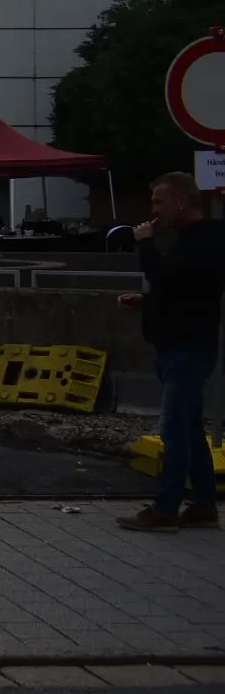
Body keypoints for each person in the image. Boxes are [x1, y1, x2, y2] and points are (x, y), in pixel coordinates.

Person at [117, 172, 225, 532]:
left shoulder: (207, 239)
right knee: (190, 427)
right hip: (175, 343)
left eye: (159, 202)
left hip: (189, 346)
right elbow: (179, 289)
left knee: (174, 427)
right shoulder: (188, 240)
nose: (154, 210)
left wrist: (146, 246)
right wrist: (146, 302)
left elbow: (170, 279)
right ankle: (204, 504)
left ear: (182, 202)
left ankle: (165, 509)